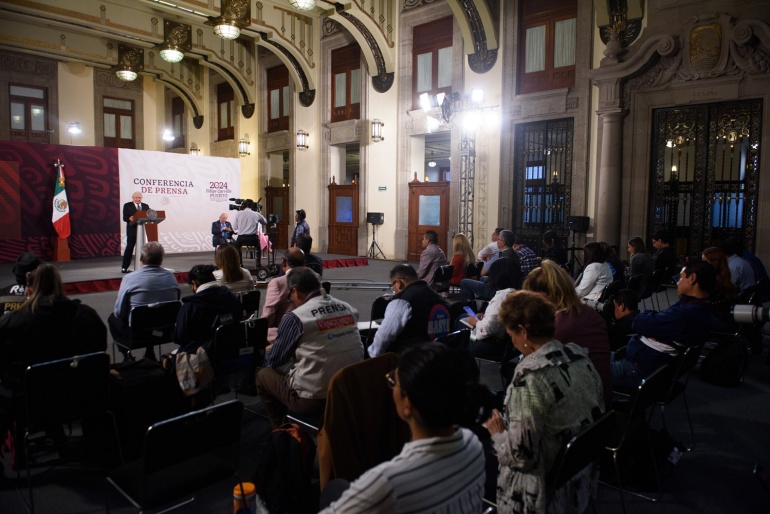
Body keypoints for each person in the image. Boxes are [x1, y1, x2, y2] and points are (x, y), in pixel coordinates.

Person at [319, 343, 488, 513]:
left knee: (333, 490)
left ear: (408, 404)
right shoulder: (473, 445)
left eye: (393, 381)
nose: (391, 384)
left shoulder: (387, 483)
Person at [486, 290, 604, 514]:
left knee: (473, 452)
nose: (512, 341)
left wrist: (497, 434)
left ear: (523, 332)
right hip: (580, 475)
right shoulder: (580, 358)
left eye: (511, 334)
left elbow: (522, 458)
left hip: (538, 488)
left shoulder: (530, 380)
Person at [256, 267, 363, 428]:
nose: (292, 301)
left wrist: (266, 351)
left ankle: (281, 431)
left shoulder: (296, 317)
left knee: (263, 375)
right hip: (350, 391)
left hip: (314, 400)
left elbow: (274, 361)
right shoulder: (348, 308)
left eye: (290, 297)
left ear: (295, 291)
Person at [0, 263, 107, 403]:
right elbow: (100, 348)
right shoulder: (88, 315)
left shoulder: (11, 322)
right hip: (81, 396)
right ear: (60, 288)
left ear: (29, 292)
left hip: (27, 401)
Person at [611, 261, 715, 391]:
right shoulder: (697, 306)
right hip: (640, 363)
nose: (677, 283)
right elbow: (652, 321)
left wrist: (649, 316)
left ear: (692, 278)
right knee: (595, 355)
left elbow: (641, 323)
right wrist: (651, 318)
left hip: (637, 370)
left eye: (681, 278)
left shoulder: (686, 313)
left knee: (589, 366)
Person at [523, 260, 612, 407]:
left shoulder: (558, 328)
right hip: (602, 395)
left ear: (546, 297)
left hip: (581, 407)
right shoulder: (590, 313)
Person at [108, 242, 181, 360]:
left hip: (137, 333)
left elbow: (119, 312)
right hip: (164, 332)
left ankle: (127, 355)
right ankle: (149, 350)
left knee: (112, 318)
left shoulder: (129, 279)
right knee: (153, 315)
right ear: (161, 259)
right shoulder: (171, 278)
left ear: (141, 258)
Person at [368, 264, 450, 357]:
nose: (393, 290)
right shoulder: (440, 299)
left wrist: (373, 356)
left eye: (392, 286)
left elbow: (384, 337)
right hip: (440, 357)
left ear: (398, 283)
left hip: (411, 360)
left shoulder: (402, 302)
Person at [459, 258, 523, 360]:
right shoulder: (519, 295)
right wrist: (485, 317)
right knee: (463, 317)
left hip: (490, 346)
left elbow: (488, 330)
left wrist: (476, 322)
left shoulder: (500, 299)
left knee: (460, 323)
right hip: (507, 345)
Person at [173, 264, 243, 354]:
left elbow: (179, 337)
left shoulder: (190, 306)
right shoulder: (232, 297)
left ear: (194, 283)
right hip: (232, 349)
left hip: (203, 355)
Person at [261, 248, 307, 341]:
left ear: (284, 262)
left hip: (284, 334)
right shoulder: (316, 278)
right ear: (304, 263)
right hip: (311, 330)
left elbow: (268, 315)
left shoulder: (277, 283)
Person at [574, 241, 613, 306]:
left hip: (591, 300)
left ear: (590, 254)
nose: (583, 254)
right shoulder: (604, 264)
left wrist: (568, 292)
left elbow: (582, 290)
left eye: (584, 252)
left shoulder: (593, 267)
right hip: (599, 298)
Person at [121, 191, 150, 273]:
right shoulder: (127, 205)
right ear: (133, 198)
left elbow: (149, 215)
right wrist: (129, 218)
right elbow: (125, 218)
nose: (138, 199)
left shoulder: (145, 206)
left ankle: (145, 266)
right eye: (136, 197)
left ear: (142, 198)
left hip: (143, 230)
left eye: (139, 197)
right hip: (132, 230)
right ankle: (124, 267)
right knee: (129, 248)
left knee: (144, 249)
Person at [234, 200, 266, 266]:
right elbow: (265, 222)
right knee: (258, 247)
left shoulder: (239, 214)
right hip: (253, 238)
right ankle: (258, 264)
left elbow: (235, 227)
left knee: (236, 247)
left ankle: (239, 263)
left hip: (241, 238)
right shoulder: (256, 214)